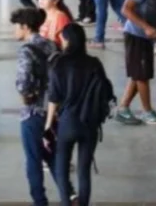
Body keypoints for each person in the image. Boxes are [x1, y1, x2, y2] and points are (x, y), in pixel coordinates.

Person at [46, 23, 112, 206]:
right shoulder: (94, 63)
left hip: (67, 122)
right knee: (84, 170)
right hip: (89, 122)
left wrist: (48, 125)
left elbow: (53, 97)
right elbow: (105, 92)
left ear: (67, 40)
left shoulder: (58, 63)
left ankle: (66, 202)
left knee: (61, 167)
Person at [11, 7, 68, 206]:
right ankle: (69, 195)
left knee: (33, 160)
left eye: (17, 27)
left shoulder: (27, 50)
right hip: (55, 111)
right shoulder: (52, 45)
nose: (14, 31)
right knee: (54, 158)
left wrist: (27, 95)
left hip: (33, 112)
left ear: (25, 27)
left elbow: (23, 83)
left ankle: (39, 201)